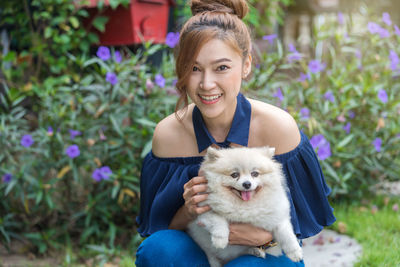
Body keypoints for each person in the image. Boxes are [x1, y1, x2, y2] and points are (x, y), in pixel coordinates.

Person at [135, 0, 336, 266]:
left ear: (246, 64)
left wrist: (260, 238)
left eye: (221, 67)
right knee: (158, 250)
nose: (207, 84)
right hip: (205, 249)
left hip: (264, 256)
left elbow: (294, 232)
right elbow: (162, 231)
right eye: (194, 68)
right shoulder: (169, 134)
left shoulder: (277, 128)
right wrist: (189, 208)